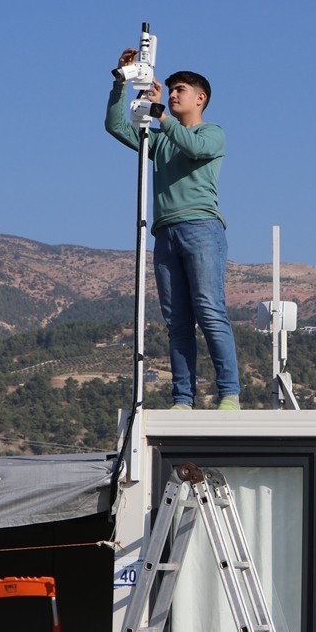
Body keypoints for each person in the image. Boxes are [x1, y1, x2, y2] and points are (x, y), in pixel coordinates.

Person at [105, 48, 241, 410]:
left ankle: (229, 394)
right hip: (165, 234)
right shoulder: (162, 138)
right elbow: (117, 127)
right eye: (171, 89)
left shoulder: (213, 133)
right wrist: (122, 84)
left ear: (201, 98)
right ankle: (183, 398)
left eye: (181, 89)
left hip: (201, 228)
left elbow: (193, 146)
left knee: (209, 310)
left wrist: (161, 113)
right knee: (177, 321)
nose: (174, 93)